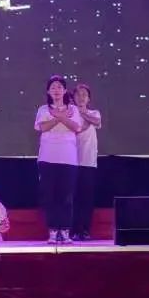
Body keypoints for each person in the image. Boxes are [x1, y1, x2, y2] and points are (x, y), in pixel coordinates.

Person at [34, 75, 81, 244]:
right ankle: (53, 231)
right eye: (53, 87)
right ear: (48, 91)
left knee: (66, 196)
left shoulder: (73, 109)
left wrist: (61, 117)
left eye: (60, 87)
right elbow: (42, 127)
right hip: (47, 158)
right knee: (50, 196)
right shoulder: (43, 109)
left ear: (65, 90)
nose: (56, 90)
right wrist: (59, 117)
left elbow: (76, 127)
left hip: (68, 158)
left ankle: (65, 231)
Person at [72, 83, 101, 241]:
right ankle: (73, 230)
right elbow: (77, 129)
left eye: (84, 94)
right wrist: (80, 115)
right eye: (78, 94)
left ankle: (85, 230)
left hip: (89, 162)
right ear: (73, 98)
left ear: (89, 98)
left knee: (87, 199)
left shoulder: (94, 113)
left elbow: (95, 121)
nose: (81, 97)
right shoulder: (70, 113)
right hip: (72, 162)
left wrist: (83, 113)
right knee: (73, 198)